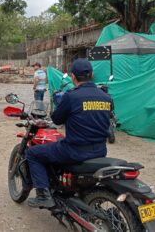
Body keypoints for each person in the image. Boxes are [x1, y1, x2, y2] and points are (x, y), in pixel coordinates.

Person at [26, 58, 112, 208]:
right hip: (100, 151)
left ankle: (43, 195)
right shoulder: (106, 97)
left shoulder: (71, 96)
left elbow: (57, 119)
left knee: (33, 153)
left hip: (74, 151)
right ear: (91, 75)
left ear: (73, 76)